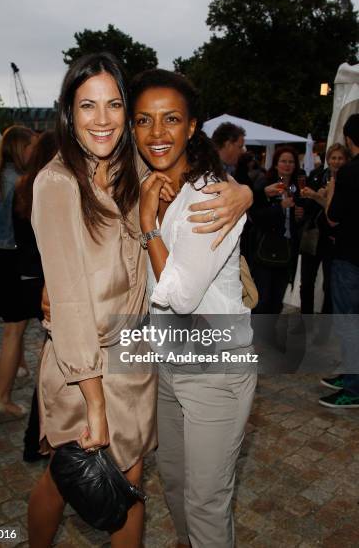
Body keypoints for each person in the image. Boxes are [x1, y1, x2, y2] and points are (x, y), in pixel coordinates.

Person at [28, 52, 253, 548]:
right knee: (66, 479)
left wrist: (242, 192)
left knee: (129, 483)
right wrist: (94, 402)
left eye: (114, 105)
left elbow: (192, 167)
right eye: (88, 106)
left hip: (138, 356)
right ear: (69, 112)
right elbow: (68, 303)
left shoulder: (129, 166)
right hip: (81, 362)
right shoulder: (58, 183)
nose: (103, 120)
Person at [131, 69, 256, 548]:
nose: (157, 133)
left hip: (216, 370)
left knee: (206, 502)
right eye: (144, 120)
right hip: (172, 362)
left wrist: (150, 228)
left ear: (191, 126)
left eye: (170, 119)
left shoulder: (210, 195)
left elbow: (180, 297)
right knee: (177, 484)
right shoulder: (152, 181)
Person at [0, 125, 39, 416]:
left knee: (13, 324)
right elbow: (29, 233)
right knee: (14, 330)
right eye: (31, 146)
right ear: (20, 148)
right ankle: (3, 398)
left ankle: (21, 366)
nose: (34, 151)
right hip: (15, 262)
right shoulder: (21, 183)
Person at [14, 130, 58, 461]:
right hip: (50, 283)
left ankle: (37, 440)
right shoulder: (51, 188)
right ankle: (38, 439)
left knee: (49, 360)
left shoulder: (24, 185)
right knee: (51, 362)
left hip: (32, 276)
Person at [319, 114, 359, 408]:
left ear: (349, 139)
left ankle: (353, 387)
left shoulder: (349, 172)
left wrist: (330, 195)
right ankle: (349, 376)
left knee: (348, 324)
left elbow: (332, 218)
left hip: (349, 257)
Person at [251, 146, 305, 315]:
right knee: (263, 298)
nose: (287, 165)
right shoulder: (265, 185)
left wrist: (299, 216)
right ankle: (257, 338)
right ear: (276, 164)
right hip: (266, 248)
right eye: (283, 161)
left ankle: (269, 337)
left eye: (291, 162)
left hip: (288, 249)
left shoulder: (298, 187)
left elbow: (301, 219)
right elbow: (255, 215)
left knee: (277, 299)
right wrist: (279, 207)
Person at [299, 143, 350, 314]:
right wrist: (311, 197)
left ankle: (324, 329)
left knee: (329, 285)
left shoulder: (348, 181)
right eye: (333, 158)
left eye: (340, 158)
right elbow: (306, 204)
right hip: (312, 235)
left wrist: (320, 197)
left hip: (334, 239)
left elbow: (337, 212)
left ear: (346, 160)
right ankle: (305, 321)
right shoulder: (316, 175)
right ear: (328, 159)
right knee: (306, 282)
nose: (336, 162)